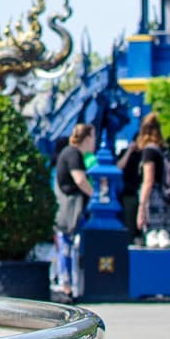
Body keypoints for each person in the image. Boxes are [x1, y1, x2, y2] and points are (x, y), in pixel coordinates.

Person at [121, 112, 170, 244]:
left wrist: (141, 207)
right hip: (167, 200)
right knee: (167, 238)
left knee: (154, 239)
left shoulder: (149, 152)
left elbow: (148, 181)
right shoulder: (163, 150)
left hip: (154, 202)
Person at [52, 123, 97, 291]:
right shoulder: (73, 154)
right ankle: (68, 286)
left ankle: (67, 283)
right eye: (94, 137)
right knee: (67, 245)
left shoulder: (67, 152)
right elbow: (79, 180)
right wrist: (95, 195)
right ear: (87, 138)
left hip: (68, 208)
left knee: (66, 245)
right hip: (70, 210)